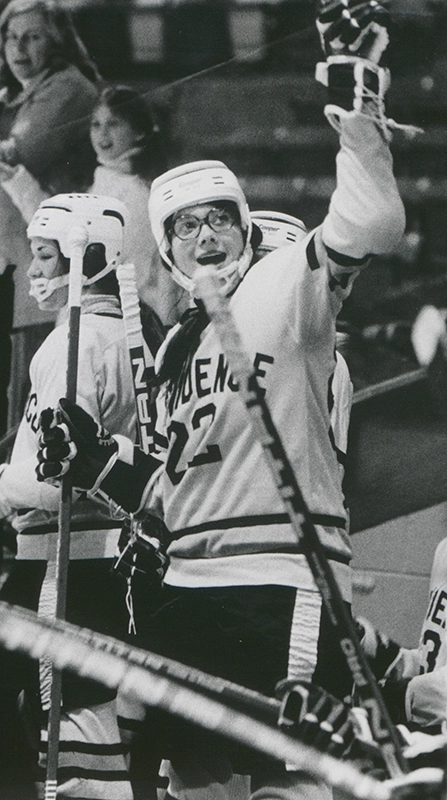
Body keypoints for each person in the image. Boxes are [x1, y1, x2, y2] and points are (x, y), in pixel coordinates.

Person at [36, 1, 407, 797]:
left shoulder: (282, 291)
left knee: (289, 782)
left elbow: (371, 218)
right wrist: (96, 458)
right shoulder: (179, 351)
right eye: (186, 228)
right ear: (165, 252)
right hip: (186, 598)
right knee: (187, 782)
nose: (207, 238)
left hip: (278, 588)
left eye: (221, 221)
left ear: (246, 230)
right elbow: (173, 494)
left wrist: (359, 110)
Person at [0, 194, 146, 800]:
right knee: (82, 717)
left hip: (66, 564)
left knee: (78, 725)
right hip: (94, 563)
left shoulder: (74, 344)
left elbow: (52, 478)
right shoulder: (125, 336)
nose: (33, 270)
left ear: (86, 257)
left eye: (43, 255)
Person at [5, 84, 188, 329]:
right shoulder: (105, 180)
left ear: (139, 132)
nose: (102, 134)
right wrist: (15, 178)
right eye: (96, 124)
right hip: (89, 316)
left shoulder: (136, 193)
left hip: (118, 323)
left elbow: (118, 268)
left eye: (113, 124)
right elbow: (58, 231)